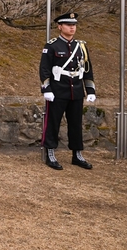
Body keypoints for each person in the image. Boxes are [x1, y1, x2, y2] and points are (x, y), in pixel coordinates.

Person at [39, 12, 96, 170]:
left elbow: (87, 70)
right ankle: (50, 152)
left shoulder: (81, 47)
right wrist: (47, 89)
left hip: (76, 91)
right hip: (58, 91)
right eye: (68, 25)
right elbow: (44, 70)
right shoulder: (52, 46)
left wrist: (90, 90)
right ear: (60, 27)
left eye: (74, 25)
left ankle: (77, 154)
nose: (72, 27)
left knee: (76, 124)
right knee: (53, 123)